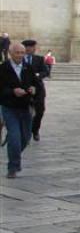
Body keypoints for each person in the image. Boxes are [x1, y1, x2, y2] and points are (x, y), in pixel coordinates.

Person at [1, 42, 43, 178]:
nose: (20, 55)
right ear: (10, 53)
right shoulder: (3, 68)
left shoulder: (28, 67)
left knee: (25, 137)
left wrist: (34, 89)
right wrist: (13, 91)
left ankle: (14, 153)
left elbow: (37, 85)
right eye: (17, 52)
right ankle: (13, 167)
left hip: (25, 108)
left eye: (22, 53)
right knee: (15, 137)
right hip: (9, 108)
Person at [19, 40, 48, 141]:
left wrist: (38, 75)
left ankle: (35, 130)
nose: (31, 49)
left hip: (38, 89)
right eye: (28, 47)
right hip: (23, 89)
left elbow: (45, 71)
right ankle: (23, 130)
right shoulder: (19, 59)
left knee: (40, 110)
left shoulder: (39, 59)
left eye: (32, 47)